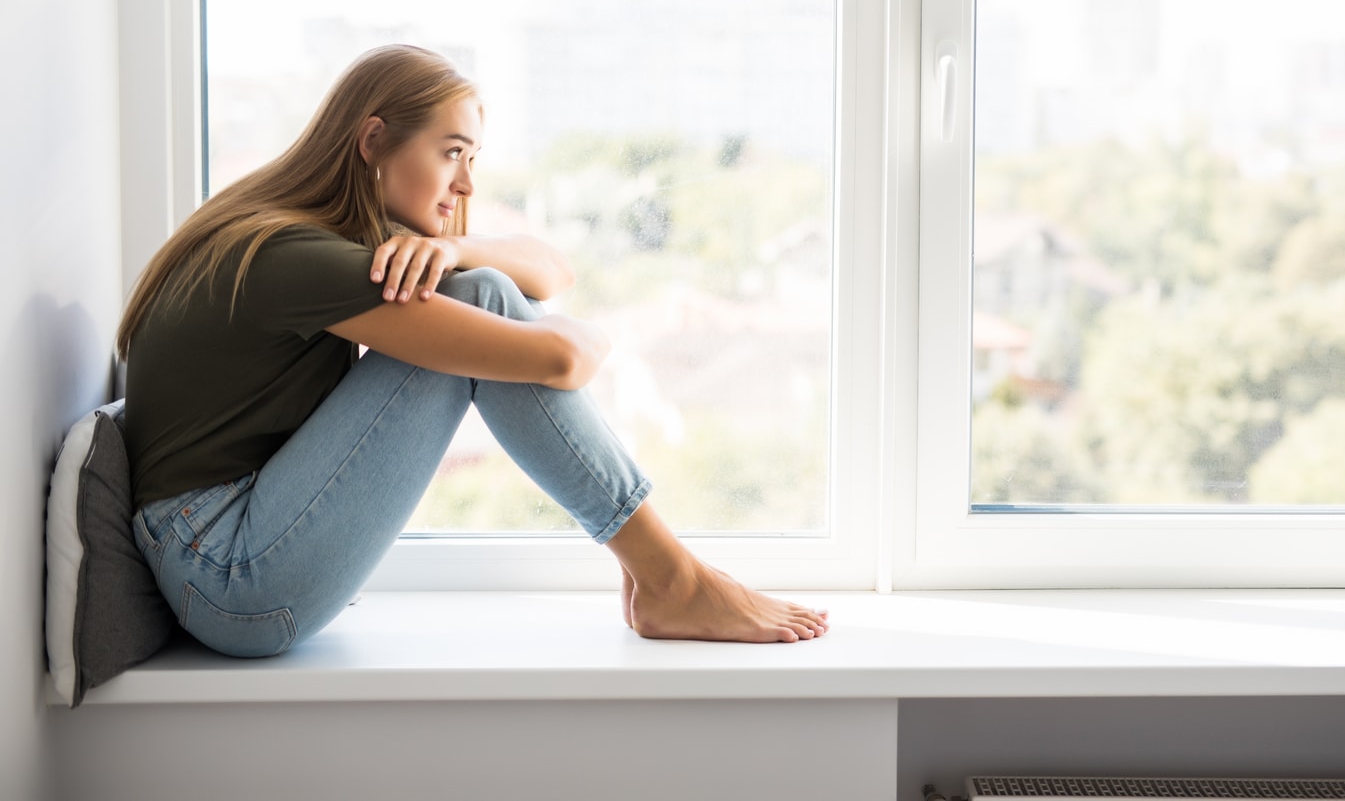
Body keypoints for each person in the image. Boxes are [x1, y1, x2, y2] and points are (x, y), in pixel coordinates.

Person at [115, 43, 828, 656]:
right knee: (481, 296)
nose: (467, 183)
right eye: (452, 153)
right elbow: (560, 359)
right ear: (372, 143)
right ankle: (670, 579)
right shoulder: (295, 258)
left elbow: (552, 269)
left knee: (479, 282)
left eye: (473, 158)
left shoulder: (305, 234)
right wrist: (602, 331)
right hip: (227, 578)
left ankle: (667, 578)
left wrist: (455, 245)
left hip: (218, 557)